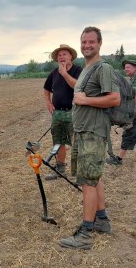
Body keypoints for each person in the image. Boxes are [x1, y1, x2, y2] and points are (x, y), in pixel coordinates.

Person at [59, 26, 120, 250]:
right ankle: (101, 220)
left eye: (91, 42)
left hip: (93, 133)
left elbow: (114, 99)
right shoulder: (86, 69)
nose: (87, 46)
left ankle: (85, 234)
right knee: (94, 178)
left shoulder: (103, 68)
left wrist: (85, 101)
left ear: (100, 43)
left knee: (87, 182)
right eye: (84, 42)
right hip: (84, 131)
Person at [43, 44, 82, 180]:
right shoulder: (53, 73)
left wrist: (65, 74)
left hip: (74, 112)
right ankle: (60, 171)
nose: (61, 57)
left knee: (77, 143)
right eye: (59, 55)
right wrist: (48, 102)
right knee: (58, 142)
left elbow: (78, 86)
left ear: (71, 56)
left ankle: (80, 174)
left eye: (64, 54)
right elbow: (46, 89)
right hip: (57, 114)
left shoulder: (78, 70)